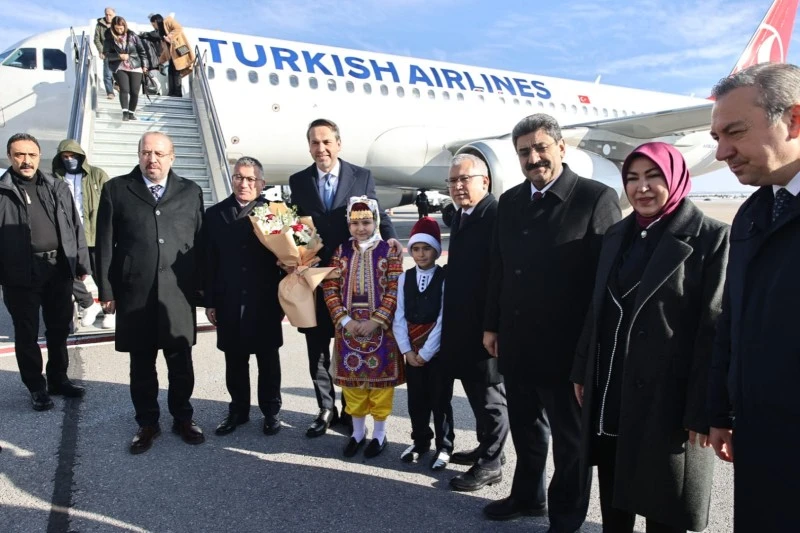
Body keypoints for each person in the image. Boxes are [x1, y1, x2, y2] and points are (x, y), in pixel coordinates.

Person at [571, 142, 728, 533]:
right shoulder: (617, 234)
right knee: (614, 496)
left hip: (668, 400)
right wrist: (581, 369)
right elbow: (596, 309)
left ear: (675, 178)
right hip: (612, 389)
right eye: (632, 178)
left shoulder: (710, 238)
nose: (642, 187)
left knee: (664, 507)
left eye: (653, 176)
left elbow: (714, 329)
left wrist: (704, 408)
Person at [483, 114, 621, 531]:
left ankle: (566, 516)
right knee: (526, 429)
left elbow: (604, 283)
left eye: (541, 147)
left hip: (567, 349)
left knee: (571, 443)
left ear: (562, 148)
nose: (533, 157)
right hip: (518, 340)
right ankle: (527, 496)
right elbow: (499, 269)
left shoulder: (595, 198)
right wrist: (492, 324)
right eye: (524, 151)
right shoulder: (509, 201)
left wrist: (591, 348)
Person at [707, 62, 800, 532]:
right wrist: (721, 409)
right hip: (761, 436)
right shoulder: (751, 215)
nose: (722, 152)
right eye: (716, 137)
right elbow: (734, 319)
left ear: (795, 120)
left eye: (735, 132)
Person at [95, 132, 205, 454]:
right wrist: (106, 288)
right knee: (141, 363)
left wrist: (204, 290)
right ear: (139, 154)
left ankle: (183, 417)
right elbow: (104, 244)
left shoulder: (191, 191)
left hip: (178, 292)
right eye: (146, 152)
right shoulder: (116, 189)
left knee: (180, 362)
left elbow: (200, 243)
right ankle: (147, 422)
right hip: (135, 292)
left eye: (159, 153)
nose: (152, 159)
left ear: (172, 157)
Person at [288, 118, 399, 438]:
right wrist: (292, 256)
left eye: (326, 142)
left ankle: (355, 412)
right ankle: (325, 408)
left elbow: (376, 211)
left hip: (355, 278)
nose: (320, 148)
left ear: (338, 144)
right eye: (314, 143)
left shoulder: (360, 176)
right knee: (317, 346)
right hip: (315, 276)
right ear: (308, 146)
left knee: (356, 345)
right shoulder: (299, 180)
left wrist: (390, 238)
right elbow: (296, 225)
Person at [0, 133, 90, 410]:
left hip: (57, 270)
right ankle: (36, 387)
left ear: (40, 156)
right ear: (10, 157)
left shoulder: (56, 186)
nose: (26, 161)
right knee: (26, 333)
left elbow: (75, 225)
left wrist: (81, 263)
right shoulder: (2, 191)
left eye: (31, 155)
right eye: (19, 155)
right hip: (20, 274)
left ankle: (58, 379)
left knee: (59, 329)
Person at [438, 153, 509, 492]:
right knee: (475, 390)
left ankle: (492, 463)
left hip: (485, 326)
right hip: (462, 324)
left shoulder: (496, 216)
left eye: (464, 179)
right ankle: (487, 448)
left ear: (485, 181)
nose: (457, 187)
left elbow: (501, 277)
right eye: (452, 181)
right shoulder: (465, 216)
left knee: (491, 395)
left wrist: (493, 325)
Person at [203, 157, 284, 437]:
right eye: (239, 177)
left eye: (251, 179)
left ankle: (271, 412)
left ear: (261, 184)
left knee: (268, 360)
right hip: (228, 299)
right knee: (234, 360)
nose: (244, 183)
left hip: (265, 301)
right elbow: (209, 261)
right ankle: (238, 410)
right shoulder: (215, 215)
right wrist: (210, 301)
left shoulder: (275, 213)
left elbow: (295, 254)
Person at [322, 197, 404, 458]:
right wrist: (345, 321)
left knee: (380, 387)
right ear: (348, 225)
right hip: (348, 331)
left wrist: (375, 321)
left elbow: (395, 288)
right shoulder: (340, 252)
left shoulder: (389, 251)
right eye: (355, 224)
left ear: (376, 222)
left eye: (366, 222)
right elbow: (330, 288)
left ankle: (379, 434)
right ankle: (358, 433)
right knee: (353, 386)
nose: (361, 229)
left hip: (381, 329)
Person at [392, 216, 454, 470]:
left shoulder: (444, 277)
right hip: (412, 351)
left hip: (435, 351)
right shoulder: (404, 278)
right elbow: (398, 316)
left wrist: (427, 351)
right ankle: (420, 442)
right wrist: (407, 350)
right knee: (416, 400)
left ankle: (445, 446)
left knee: (440, 400)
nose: (420, 254)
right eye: (416, 249)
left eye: (426, 248)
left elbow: (443, 317)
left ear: (436, 250)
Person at [51, 139, 110, 329]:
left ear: (81, 156)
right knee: (69, 273)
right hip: (69, 236)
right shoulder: (55, 178)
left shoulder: (96, 175)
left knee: (102, 275)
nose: (69, 160)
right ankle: (87, 304)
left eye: (73, 156)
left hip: (94, 234)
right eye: (65, 157)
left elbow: (111, 203)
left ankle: (110, 311)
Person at [102, 16, 148, 121]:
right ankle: (125, 113)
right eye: (117, 28)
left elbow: (142, 51)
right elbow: (106, 54)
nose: (119, 31)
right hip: (120, 67)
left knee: (135, 92)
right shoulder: (109, 38)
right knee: (124, 89)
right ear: (113, 27)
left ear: (125, 26)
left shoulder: (132, 36)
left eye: (121, 28)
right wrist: (119, 56)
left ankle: (131, 113)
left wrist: (145, 65)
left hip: (135, 65)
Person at [148, 14, 194, 98]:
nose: (153, 27)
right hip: (172, 56)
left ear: (155, 21)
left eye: (153, 24)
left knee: (176, 72)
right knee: (171, 71)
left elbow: (179, 28)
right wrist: (160, 61)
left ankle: (177, 93)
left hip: (178, 52)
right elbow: (165, 49)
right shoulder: (161, 32)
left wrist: (170, 36)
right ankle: (171, 92)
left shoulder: (168, 21)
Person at [93, 7, 115, 100]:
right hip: (106, 52)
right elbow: (96, 39)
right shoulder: (99, 25)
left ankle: (117, 84)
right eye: (106, 14)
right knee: (107, 73)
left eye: (110, 14)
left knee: (118, 72)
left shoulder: (118, 22)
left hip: (118, 52)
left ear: (114, 14)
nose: (108, 16)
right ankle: (110, 92)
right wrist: (101, 51)